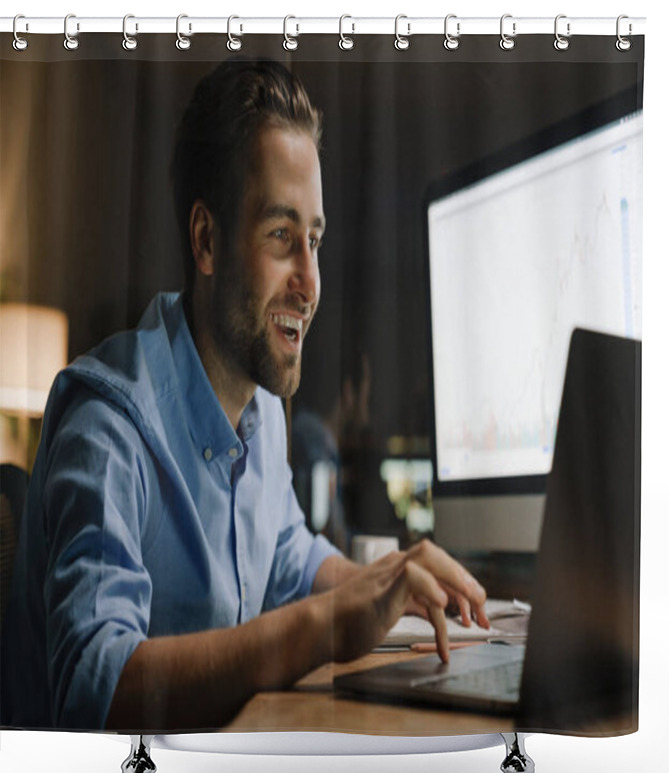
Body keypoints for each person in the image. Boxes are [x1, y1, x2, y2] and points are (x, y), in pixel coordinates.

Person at [0, 60, 489, 732]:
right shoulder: (105, 426)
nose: (310, 282)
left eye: (314, 240)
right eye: (282, 237)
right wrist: (318, 629)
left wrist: (397, 576)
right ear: (206, 239)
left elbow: (291, 557)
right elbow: (94, 684)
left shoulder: (261, 413)